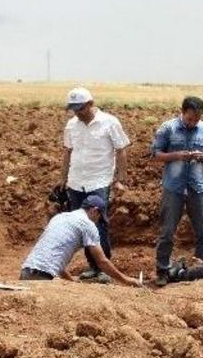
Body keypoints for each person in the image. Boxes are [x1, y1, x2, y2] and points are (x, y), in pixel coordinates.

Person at [58, 87, 131, 284]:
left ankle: (103, 268)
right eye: (73, 109)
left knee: (99, 226)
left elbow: (121, 150)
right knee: (81, 225)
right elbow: (67, 152)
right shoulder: (71, 125)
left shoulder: (109, 122)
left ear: (90, 104)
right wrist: (63, 178)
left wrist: (120, 179)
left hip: (98, 181)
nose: (77, 113)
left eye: (80, 108)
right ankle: (93, 266)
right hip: (75, 182)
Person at [151, 96, 203, 286]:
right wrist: (177, 155)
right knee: (167, 232)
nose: (193, 122)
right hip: (173, 187)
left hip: (198, 187)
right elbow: (155, 154)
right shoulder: (168, 128)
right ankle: (162, 271)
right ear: (182, 112)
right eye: (190, 118)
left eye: (197, 119)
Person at [21, 194, 141, 287]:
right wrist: (126, 280)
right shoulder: (87, 224)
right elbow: (102, 261)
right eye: (99, 217)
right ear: (94, 210)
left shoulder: (59, 217)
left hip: (26, 273)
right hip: (43, 278)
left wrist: (71, 280)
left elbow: (53, 257)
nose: (97, 221)